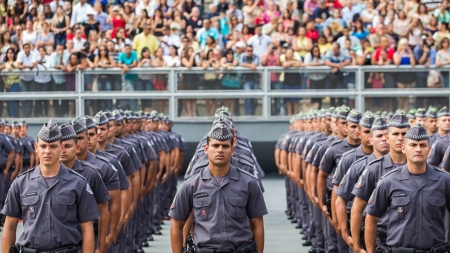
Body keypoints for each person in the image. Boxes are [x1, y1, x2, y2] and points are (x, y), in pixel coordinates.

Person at [1, 120, 100, 253]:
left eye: (53, 146)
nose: (48, 151)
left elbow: (87, 229)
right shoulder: (21, 183)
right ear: (36, 147)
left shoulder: (78, 183)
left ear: (61, 147)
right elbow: (10, 227)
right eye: (43, 146)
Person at [170, 123, 268, 253]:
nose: (220, 150)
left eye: (225, 146)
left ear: (232, 149)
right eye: (215, 145)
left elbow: (257, 226)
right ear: (206, 149)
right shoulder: (191, 184)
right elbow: (177, 225)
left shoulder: (249, 183)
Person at [365, 124, 450, 253]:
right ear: (404, 148)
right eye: (413, 145)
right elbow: (371, 218)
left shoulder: (445, 181)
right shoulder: (388, 181)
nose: (418, 149)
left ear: (429, 150)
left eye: (422, 145)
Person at [351, 113, 410, 253]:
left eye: (404, 134)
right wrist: (356, 246)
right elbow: (357, 209)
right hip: (384, 241)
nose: (400, 138)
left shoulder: (422, 168)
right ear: (388, 138)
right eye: (396, 134)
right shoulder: (374, 169)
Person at [59, 122, 111, 252]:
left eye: (67, 146)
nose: (62, 150)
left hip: (83, 239)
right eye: (59, 146)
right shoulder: (43, 176)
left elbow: (104, 210)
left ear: (76, 147)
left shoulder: (91, 173)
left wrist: (101, 245)